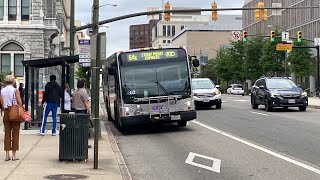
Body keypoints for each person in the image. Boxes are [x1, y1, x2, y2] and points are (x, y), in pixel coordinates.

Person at [0, 75, 23, 161]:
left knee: (7, 133)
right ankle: (14, 154)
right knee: (15, 133)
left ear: (5, 82)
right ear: (13, 82)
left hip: (6, 111)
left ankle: (7, 155)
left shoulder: (2, 91)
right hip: (14, 112)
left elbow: (1, 104)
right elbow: (19, 102)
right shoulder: (15, 90)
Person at [72, 78, 92, 148]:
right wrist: (89, 112)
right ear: (83, 84)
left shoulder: (75, 92)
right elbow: (86, 103)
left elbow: (73, 102)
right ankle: (84, 143)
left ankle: (78, 143)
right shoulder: (83, 92)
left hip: (76, 112)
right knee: (84, 129)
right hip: (83, 112)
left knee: (78, 129)